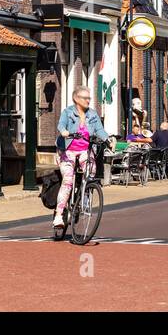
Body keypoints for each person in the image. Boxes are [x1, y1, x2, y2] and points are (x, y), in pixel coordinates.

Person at [54, 85, 108, 229]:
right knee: (67, 180)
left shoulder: (92, 114)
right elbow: (61, 125)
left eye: (89, 98)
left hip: (85, 150)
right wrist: (64, 131)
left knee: (91, 172)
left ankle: (84, 197)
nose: (88, 101)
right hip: (68, 150)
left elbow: (99, 130)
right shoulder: (68, 112)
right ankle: (59, 215)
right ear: (76, 99)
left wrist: (108, 140)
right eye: (85, 98)